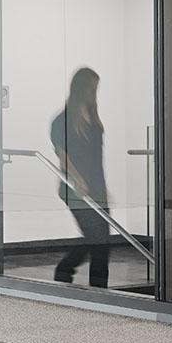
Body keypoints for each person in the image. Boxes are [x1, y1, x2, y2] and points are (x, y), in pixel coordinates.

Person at [50, 67, 110, 287]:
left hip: (97, 186)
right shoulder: (62, 120)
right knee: (96, 237)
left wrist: (102, 187)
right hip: (73, 187)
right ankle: (65, 268)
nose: (94, 92)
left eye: (96, 88)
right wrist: (77, 179)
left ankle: (100, 288)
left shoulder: (94, 119)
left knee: (102, 242)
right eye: (91, 88)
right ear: (80, 88)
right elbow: (62, 154)